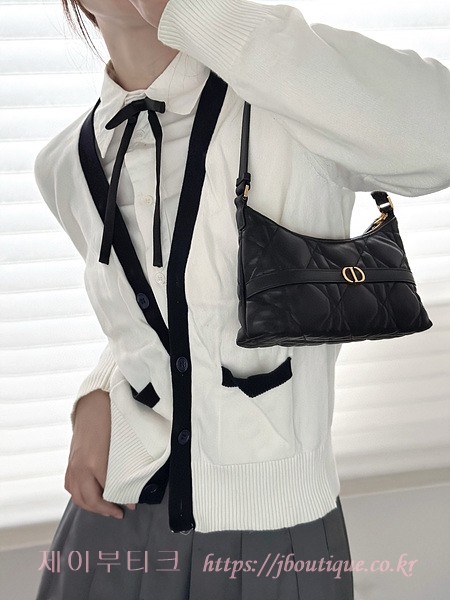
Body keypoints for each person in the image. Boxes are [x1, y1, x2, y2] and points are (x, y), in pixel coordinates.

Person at [34, 1, 450, 599]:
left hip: (276, 535)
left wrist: (200, 15)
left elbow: (438, 135)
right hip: (114, 520)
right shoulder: (65, 163)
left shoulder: (287, 96)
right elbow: (151, 317)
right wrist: (95, 395)